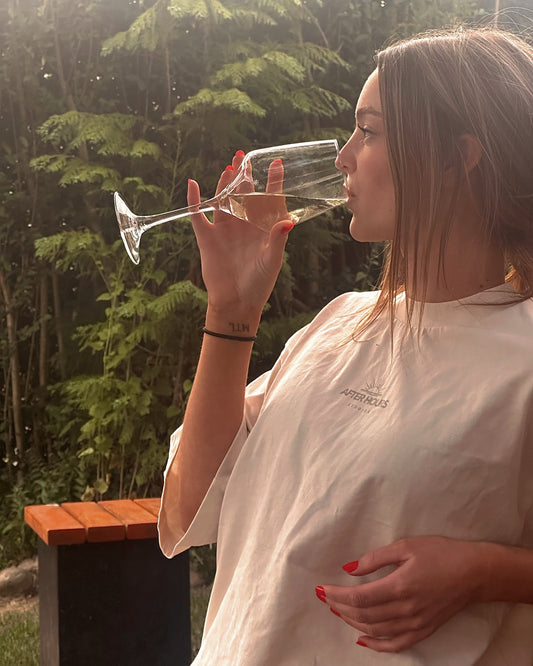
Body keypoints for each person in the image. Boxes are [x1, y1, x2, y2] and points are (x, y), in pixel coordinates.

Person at [157, 26, 533, 665]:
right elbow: (187, 510)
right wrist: (232, 313)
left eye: (369, 131)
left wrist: (486, 572)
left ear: (457, 158)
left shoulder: (520, 357)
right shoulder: (338, 324)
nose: (344, 158)